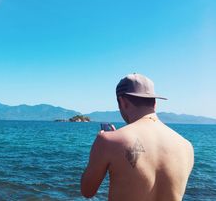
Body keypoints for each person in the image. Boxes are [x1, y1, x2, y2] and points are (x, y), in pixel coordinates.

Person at [81, 73, 194, 201]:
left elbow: (87, 191)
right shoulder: (186, 146)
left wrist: (103, 146)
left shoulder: (108, 141)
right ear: (155, 103)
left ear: (122, 102)